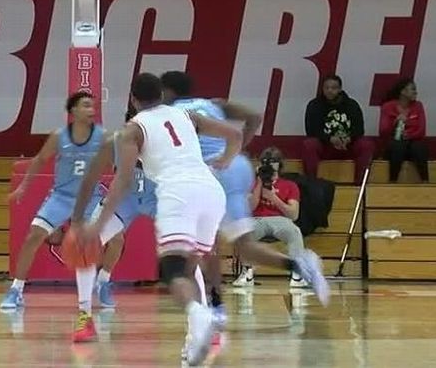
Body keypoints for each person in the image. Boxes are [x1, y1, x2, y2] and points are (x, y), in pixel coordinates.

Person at [73, 73, 249, 365]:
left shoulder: (135, 131)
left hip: (165, 193)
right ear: (162, 95)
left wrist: (88, 222)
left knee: (179, 264)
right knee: (187, 259)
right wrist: (225, 161)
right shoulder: (127, 134)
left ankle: (202, 322)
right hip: (157, 194)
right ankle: (84, 315)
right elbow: (236, 134)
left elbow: (110, 180)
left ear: (133, 98)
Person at [160, 70, 329, 323]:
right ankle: (300, 264)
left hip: (211, 173)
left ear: (168, 92)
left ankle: (215, 307)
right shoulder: (213, 104)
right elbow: (254, 116)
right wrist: (235, 150)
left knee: (206, 247)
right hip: (237, 168)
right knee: (245, 247)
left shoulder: (170, 115)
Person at [0, 91, 105, 312]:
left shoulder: (103, 136)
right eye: (86, 106)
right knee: (34, 235)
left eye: (93, 106)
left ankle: (104, 283)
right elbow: (38, 161)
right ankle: (16, 290)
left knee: (109, 240)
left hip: (90, 198)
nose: (91, 110)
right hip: (62, 197)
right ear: (73, 111)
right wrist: (22, 188)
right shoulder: (59, 136)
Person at [67, 106, 157, 340]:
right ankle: (84, 316)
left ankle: (206, 316)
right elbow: (91, 176)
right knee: (85, 244)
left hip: (159, 196)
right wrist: (78, 218)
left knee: (185, 250)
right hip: (124, 199)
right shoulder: (115, 141)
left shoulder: (165, 137)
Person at [238, 147, 309, 289]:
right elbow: (249, 208)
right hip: (257, 219)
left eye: (273, 162)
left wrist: (274, 198)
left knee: (294, 232)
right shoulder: (251, 184)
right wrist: (259, 183)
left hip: (280, 220)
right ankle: (247, 272)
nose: (269, 166)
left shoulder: (290, 185)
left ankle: (297, 274)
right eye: (266, 162)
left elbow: (293, 215)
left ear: (279, 165)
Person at [300, 75, 374, 184]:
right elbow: (311, 130)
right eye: (327, 88)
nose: (330, 91)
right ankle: (312, 183)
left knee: (366, 145)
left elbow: (359, 129)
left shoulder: (351, 105)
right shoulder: (314, 105)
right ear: (323, 89)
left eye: (333, 88)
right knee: (309, 144)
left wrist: (348, 139)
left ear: (340, 89)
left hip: (348, 145)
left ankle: (360, 183)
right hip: (326, 145)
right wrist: (330, 139)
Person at [380, 78, 428, 182]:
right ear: (403, 91)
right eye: (413, 89)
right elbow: (383, 131)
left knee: (419, 147)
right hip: (395, 144)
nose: (416, 92)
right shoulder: (387, 107)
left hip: (412, 143)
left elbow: (421, 130)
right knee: (398, 146)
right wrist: (395, 123)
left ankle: (425, 181)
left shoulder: (418, 106)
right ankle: (392, 180)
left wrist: (408, 133)